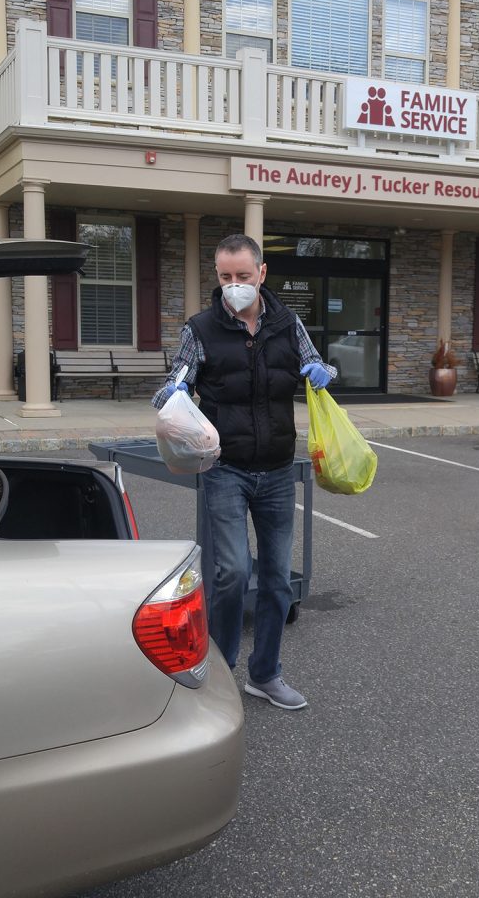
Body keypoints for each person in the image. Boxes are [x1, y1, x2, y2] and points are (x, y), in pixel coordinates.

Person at [152, 233, 335, 710]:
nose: (234, 286)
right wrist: (171, 395)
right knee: (231, 572)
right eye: (225, 277)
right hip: (225, 469)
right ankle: (218, 671)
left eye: (243, 277)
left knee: (276, 579)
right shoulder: (202, 329)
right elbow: (177, 380)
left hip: (276, 469)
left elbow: (313, 360)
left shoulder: (288, 323)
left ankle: (265, 674)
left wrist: (322, 371)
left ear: (261, 275)